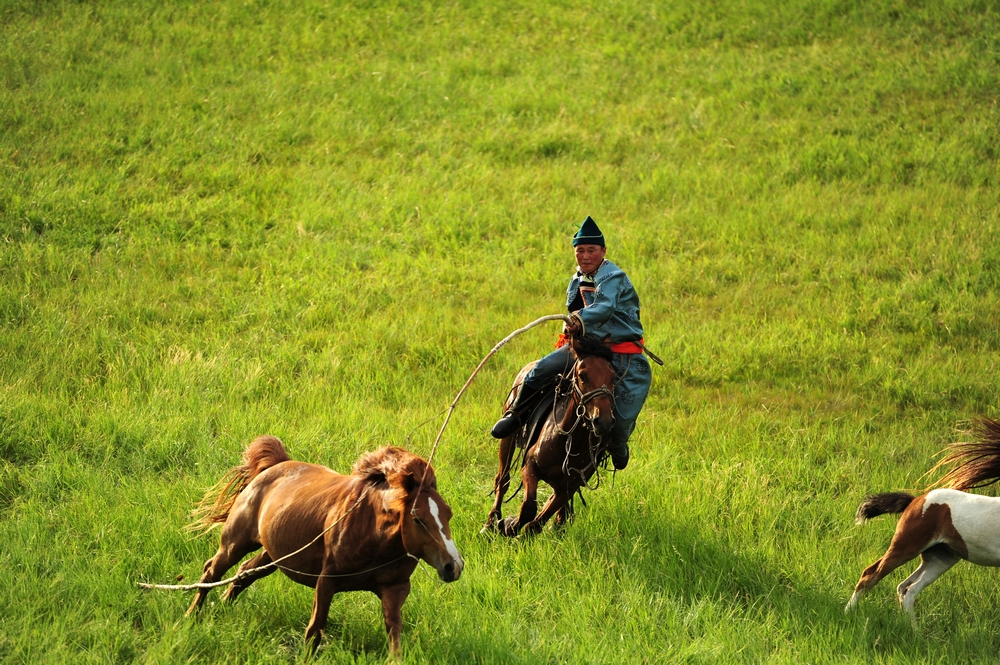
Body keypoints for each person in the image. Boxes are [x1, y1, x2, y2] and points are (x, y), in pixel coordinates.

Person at [490, 216, 652, 470]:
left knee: (621, 415)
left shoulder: (613, 276)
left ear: (603, 252)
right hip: (587, 348)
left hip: (622, 353)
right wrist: (571, 328)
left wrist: (579, 319)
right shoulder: (576, 279)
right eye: (580, 251)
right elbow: (573, 310)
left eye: (591, 250)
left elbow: (605, 306)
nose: (585, 256)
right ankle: (515, 415)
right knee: (538, 371)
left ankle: (618, 444)